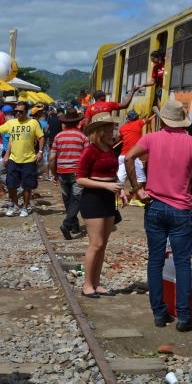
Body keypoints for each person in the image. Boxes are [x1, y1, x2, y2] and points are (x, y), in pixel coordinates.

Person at [125, 100, 192, 332]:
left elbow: (128, 157)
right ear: (183, 121)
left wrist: (138, 189)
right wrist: (189, 181)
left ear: (163, 119)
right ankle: (183, 316)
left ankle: (159, 314)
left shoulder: (151, 139)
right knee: (182, 262)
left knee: (155, 260)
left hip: (154, 206)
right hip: (180, 210)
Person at [76, 112, 127, 298]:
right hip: (94, 198)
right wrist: (106, 185)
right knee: (95, 244)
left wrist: (120, 191)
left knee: (103, 244)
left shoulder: (110, 149)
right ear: (98, 132)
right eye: (107, 129)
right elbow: (80, 179)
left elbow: (112, 175)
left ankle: (96, 283)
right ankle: (86, 284)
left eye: (112, 128)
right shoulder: (90, 151)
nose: (111, 132)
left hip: (107, 198)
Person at [49, 108, 89, 240]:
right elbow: (87, 157)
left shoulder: (58, 136)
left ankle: (74, 225)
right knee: (76, 199)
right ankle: (67, 224)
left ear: (65, 123)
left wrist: (54, 173)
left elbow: (52, 158)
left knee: (67, 200)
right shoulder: (83, 137)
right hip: (77, 173)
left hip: (62, 172)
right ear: (78, 123)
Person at [0, 101, 44, 217]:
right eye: (16, 111)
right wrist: (7, 155)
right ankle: (15, 205)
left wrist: (40, 151)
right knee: (11, 185)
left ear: (26, 112)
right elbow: (2, 130)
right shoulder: (11, 123)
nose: (18, 113)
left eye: (21, 111)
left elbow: (41, 137)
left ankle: (25, 207)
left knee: (27, 186)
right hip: (14, 159)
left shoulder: (33, 122)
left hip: (29, 160)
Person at [116, 109, 153, 206]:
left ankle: (118, 198)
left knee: (119, 179)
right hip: (133, 156)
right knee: (141, 179)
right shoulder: (139, 123)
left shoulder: (123, 128)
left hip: (122, 156)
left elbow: (118, 137)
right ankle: (135, 197)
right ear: (136, 118)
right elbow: (148, 120)